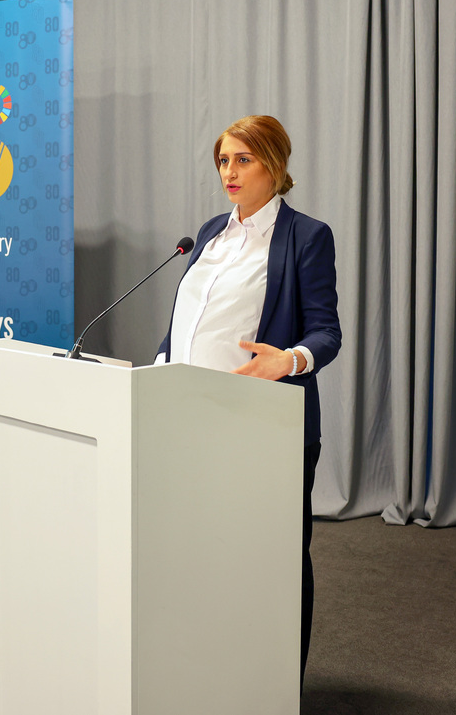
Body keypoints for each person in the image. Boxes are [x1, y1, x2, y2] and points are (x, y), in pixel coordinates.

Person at [155, 114, 341, 689]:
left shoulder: (306, 236)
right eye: (222, 160)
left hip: (262, 425)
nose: (228, 172)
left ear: (274, 165)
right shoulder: (210, 231)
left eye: (243, 159)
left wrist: (289, 360)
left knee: (275, 558)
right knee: (203, 551)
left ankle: (279, 685)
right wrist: (158, 367)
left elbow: (326, 332)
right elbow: (188, 321)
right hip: (191, 421)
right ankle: (211, 672)